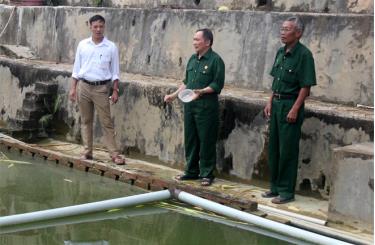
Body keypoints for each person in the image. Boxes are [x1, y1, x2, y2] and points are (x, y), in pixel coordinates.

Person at [263, 16, 316, 204]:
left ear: (298, 33)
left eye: (287, 29)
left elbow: (306, 87)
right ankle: (274, 187)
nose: (282, 32)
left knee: (288, 150)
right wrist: (269, 101)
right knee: (274, 148)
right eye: (282, 29)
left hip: (290, 104)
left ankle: (286, 192)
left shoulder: (304, 55)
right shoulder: (280, 52)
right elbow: (275, 81)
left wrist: (295, 108)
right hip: (277, 103)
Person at [164, 28, 225, 186]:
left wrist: (202, 92)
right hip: (190, 106)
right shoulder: (192, 59)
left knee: (206, 141)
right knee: (191, 139)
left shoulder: (216, 61)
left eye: (197, 40)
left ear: (207, 42)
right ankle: (191, 171)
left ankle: (206, 174)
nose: (194, 43)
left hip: (206, 107)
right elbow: (186, 82)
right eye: (193, 39)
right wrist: (174, 95)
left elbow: (217, 84)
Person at [69, 14, 125, 165]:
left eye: (101, 26)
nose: (98, 29)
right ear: (90, 27)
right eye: (95, 26)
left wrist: (115, 90)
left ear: (104, 27)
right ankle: (87, 152)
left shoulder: (111, 47)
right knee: (86, 120)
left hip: (101, 88)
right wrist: (73, 88)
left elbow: (115, 72)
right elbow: (76, 68)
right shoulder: (82, 45)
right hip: (84, 86)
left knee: (106, 122)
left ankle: (114, 154)